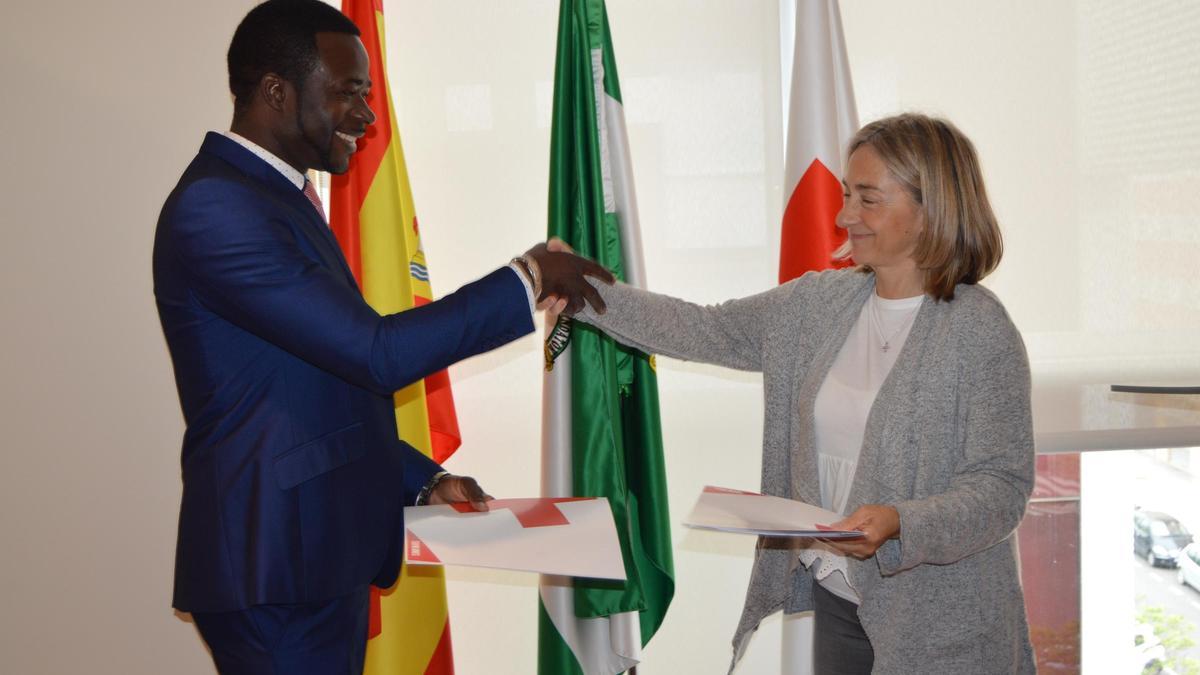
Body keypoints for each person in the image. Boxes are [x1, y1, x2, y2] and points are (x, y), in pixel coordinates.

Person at [152, 1, 611, 673]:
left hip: (312, 557)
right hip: (274, 573)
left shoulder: (279, 199)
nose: (366, 119)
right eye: (348, 94)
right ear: (277, 92)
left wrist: (424, 482)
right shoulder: (218, 206)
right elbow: (375, 352)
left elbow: (321, 385)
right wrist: (529, 275)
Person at [564, 113, 1036, 673]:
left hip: (944, 623)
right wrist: (582, 287)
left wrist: (902, 522)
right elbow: (702, 328)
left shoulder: (982, 331)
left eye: (868, 199)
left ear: (930, 207)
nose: (843, 216)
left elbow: (1000, 488)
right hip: (840, 597)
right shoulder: (818, 304)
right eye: (844, 195)